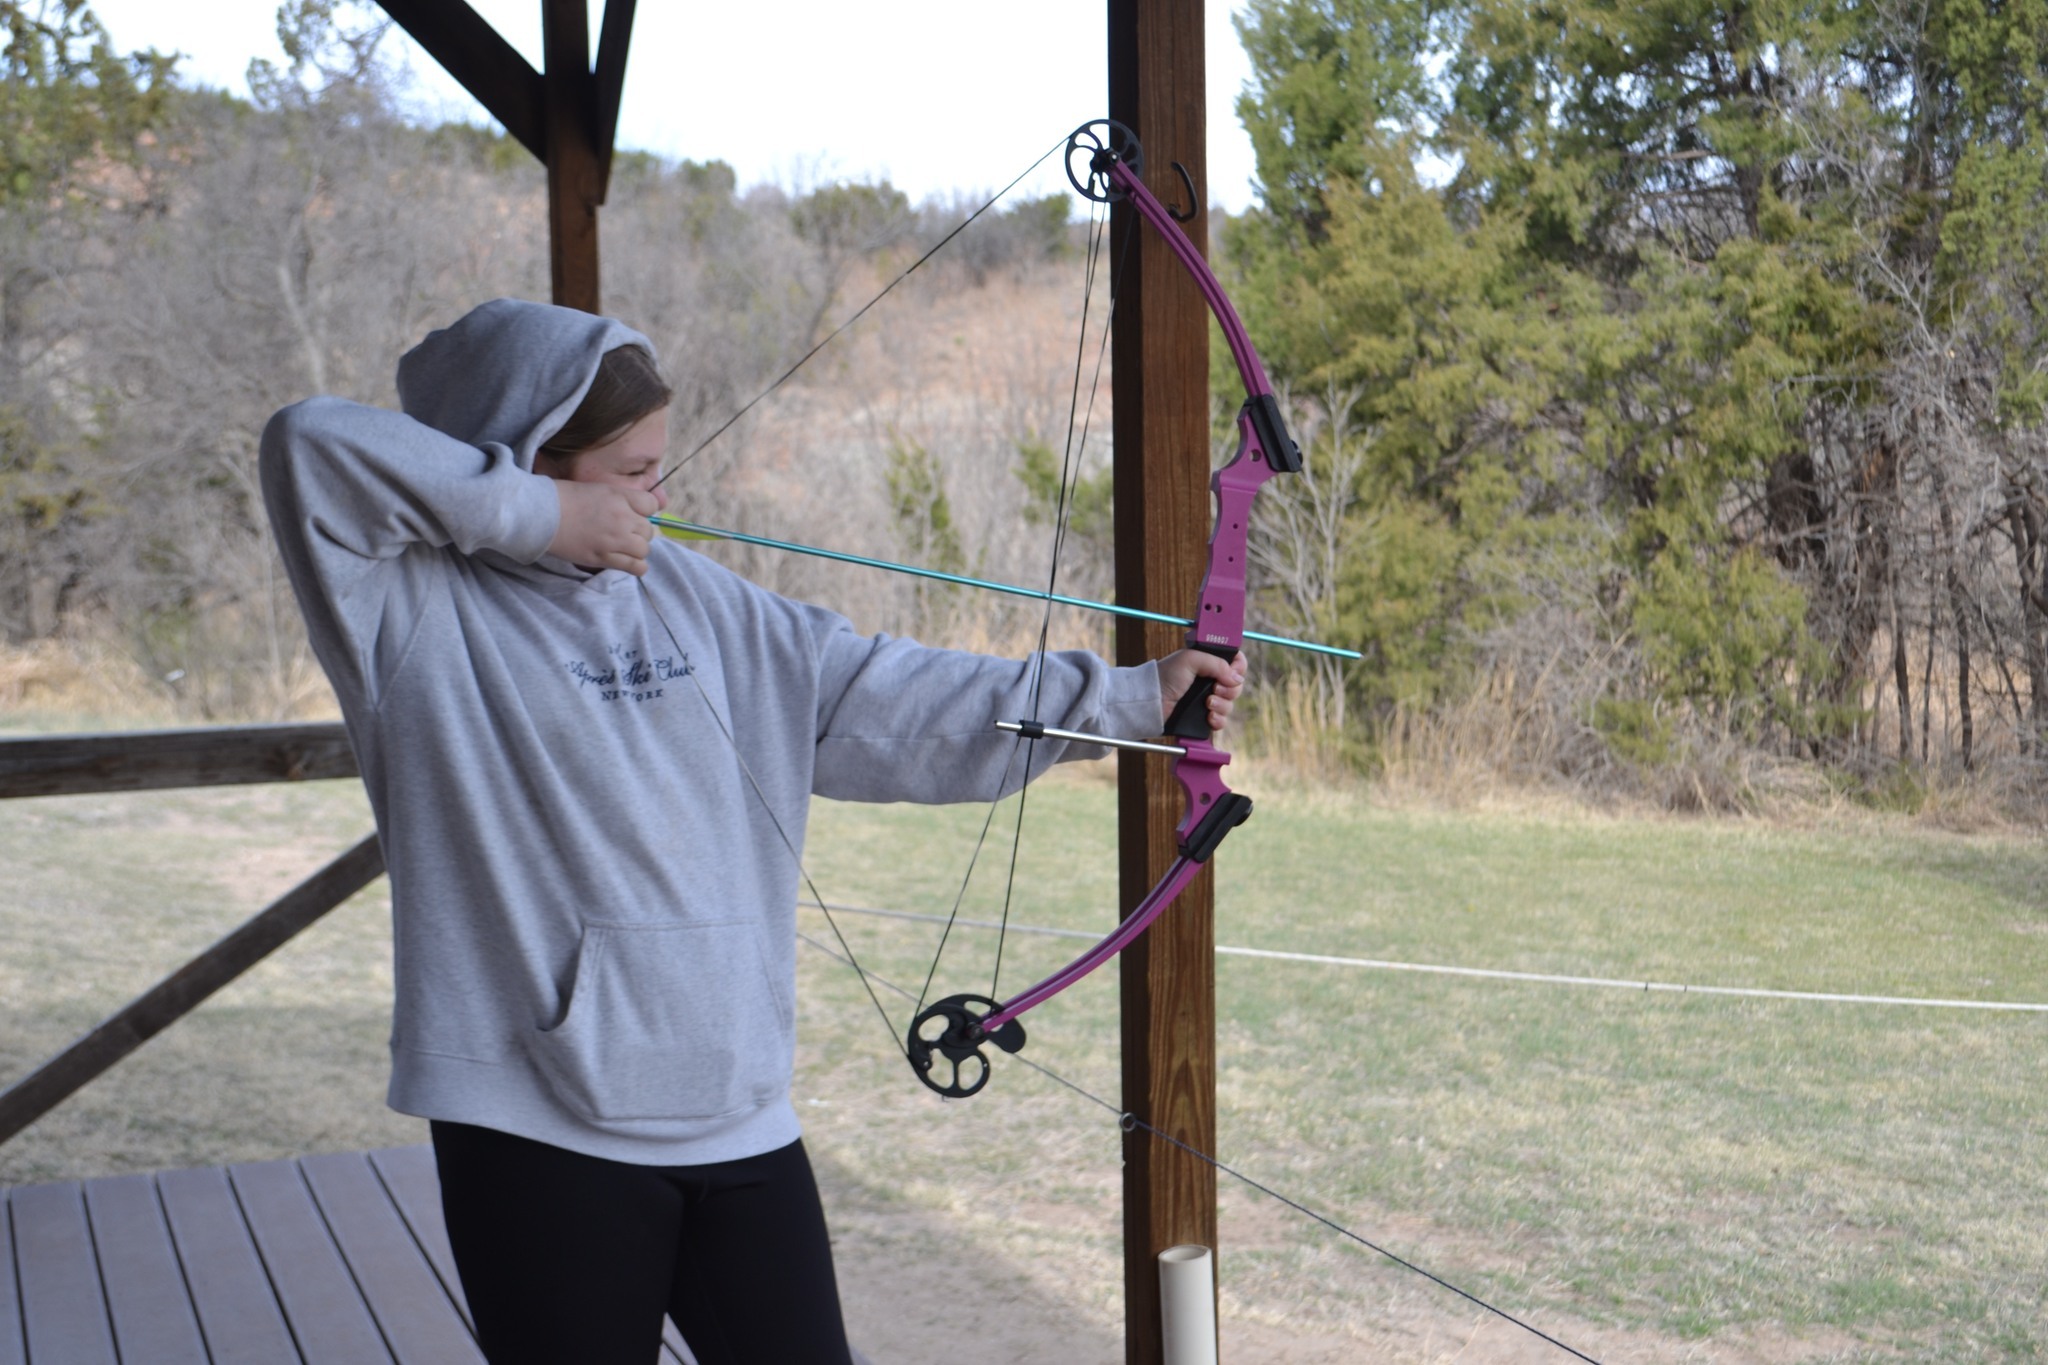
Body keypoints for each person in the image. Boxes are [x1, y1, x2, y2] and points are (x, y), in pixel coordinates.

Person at [258, 298, 1244, 1365]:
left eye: (658, 466)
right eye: (631, 474)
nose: (659, 495)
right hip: (534, 1126)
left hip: (736, 1113)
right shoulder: (408, 609)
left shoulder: (698, 600)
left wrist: (1127, 702)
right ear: (526, 461)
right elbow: (306, 444)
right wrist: (544, 521)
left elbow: (886, 696)